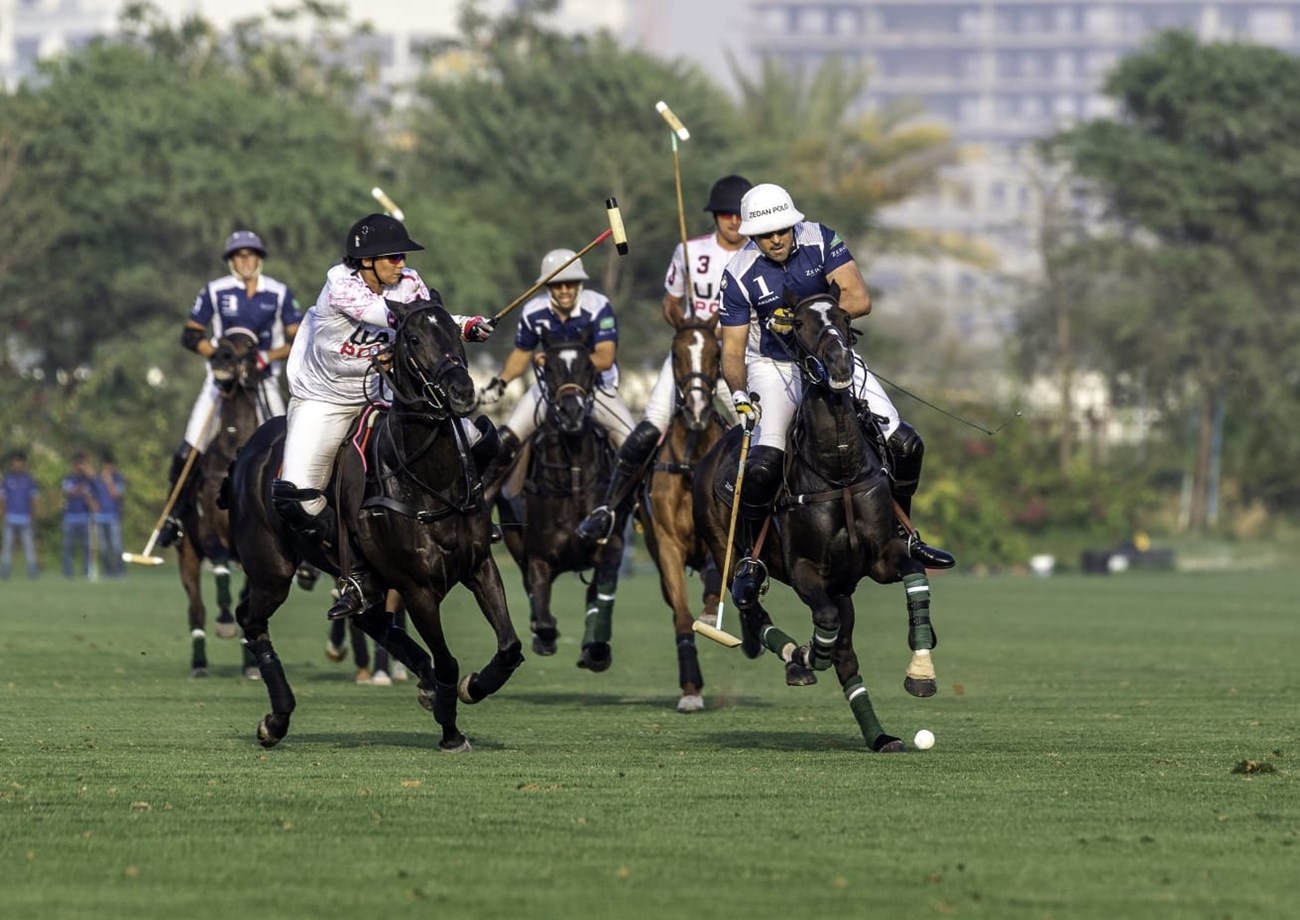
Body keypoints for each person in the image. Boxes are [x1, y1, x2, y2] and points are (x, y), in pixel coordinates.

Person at [717, 183, 954, 570]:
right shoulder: (739, 272)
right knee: (763, 463)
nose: (776, 240)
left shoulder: (821, 239)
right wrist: (739, 393)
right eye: (765, 235)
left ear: (793, 224)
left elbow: (859, 298)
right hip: (775, 368)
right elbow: (731, 350)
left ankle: (901, 534)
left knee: (906, 443)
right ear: (752, 236)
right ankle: (752, 559)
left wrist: (802, 320)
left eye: (781, 230)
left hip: (832, 355)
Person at [273, 213, 496, 621]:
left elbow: (429, 320)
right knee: (296, 494)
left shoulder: (409, 280)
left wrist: (468, 325)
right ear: (365, 261)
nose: (400, 262)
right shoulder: (340, 287)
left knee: (479, 439)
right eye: (391, 256)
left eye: (401, 256)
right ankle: (356, 573)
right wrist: (461, 324)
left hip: (382, 391)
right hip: (325, 397)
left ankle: (475, 522)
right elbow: (398, 317)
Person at [576, 175, 752, 544]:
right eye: (725, 214)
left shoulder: (759, 254)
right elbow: (670, 301)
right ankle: (609, 509)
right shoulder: (689, 250)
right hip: (693, 356)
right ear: (715, 217)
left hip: (739, 356)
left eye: (739, 214)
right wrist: (685, 325)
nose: (733, 222)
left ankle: (764, 515)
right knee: (652, 422)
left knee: (755, 428)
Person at [157, 230, 304, 548]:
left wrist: (266, 355)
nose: (246, 260)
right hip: (221, 383)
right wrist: (219, 356)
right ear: (231, 261)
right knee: (191, 444)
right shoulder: (215, 291)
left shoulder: (277, 293)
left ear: (260, 259)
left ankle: (297, 520)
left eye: (251, 254)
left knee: (288, 445)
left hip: (262, 381)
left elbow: (297, 338)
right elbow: (191, 334)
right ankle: (175, 517)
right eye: (239, 255)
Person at [477, 248, 636, 499]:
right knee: (508, 437)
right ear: (548, 287)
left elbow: (605, 357)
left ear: (579, 284)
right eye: (557, 285)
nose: (564, 291)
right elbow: (522, 354)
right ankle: (483, 504)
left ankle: (639, 505)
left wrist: (554, 361)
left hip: (596, 388)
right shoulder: (533, 311)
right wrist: (500, 382)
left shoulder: (598, 307)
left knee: (631, 442)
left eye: (570, 284)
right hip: (550, 390)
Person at [1, 450, 40, 580]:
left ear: (23, 463)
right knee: (7, 546)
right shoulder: (7, 479)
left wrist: (33, 515)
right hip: (10, 518)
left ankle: (32, 572)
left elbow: (34, 499)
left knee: (29, 546)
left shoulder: (29, 480)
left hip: (25, 519)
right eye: (14, 462)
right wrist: (3, 514)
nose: (16, 465)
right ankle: (5, 572)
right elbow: (3, 498)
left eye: (19, 462)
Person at [61, 452, 99, 579]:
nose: (79, 466)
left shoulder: (89, 480)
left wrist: (89, 474)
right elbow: (69, 492)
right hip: (70, 516)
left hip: (85, 516)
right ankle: (68, 572)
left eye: (81, 464)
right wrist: (81, 490)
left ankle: (87, 571)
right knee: (68, 546)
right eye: (77, 464)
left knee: (87, 547)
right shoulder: (69, 478)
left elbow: (97, 490)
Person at [93, 453, 126, 578]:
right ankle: (107, 571)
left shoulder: (117, 479)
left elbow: (117, 495)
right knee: (104, 548)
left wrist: (109, 481)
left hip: (113, 516)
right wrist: (94, 505)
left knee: (117, 546)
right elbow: (92, 495)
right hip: (100, 517)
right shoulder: (97, 480)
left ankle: (120, 572)